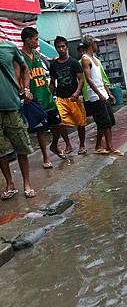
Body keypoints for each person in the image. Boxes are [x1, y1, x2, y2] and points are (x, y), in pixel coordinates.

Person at [20, 27, 67, 168]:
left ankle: (54, 146)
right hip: (35, 101)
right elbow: (18, 78)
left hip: (47, 97)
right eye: (35, 39)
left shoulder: (38, 55)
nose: (37, 42)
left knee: (59, 124)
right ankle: (46, 158)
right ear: (28, 40)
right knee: (40, 131)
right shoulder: (20, 57)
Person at [0, 39, 35, 199]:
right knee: (1, 151)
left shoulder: (9, 47)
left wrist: (26, 88)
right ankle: (9, 184)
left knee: (21, 146)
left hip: (12, 105)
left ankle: (27, 183)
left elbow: (25, 67)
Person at [81, 35, 123, 156]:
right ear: (91, 44)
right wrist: (99, 94)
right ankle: (110, 147)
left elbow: (101, 80)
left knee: (106, 121)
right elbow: (88, 79)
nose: (97, 45)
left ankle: (99, 146)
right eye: (95, 43)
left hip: (102, 94)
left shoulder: (96, 60)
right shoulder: (86, 59)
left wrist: (109, 93)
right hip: (95, 96)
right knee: (105, 122)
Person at [49, 36, 87, 155]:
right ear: (55, 48)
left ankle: (81, 145)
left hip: (74, 97)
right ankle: (68, 144)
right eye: (58, 47)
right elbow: (52, 81)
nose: (61, 49)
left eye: (63, 46)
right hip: (61, 97)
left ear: (67, 47)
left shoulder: (74, 62)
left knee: (80, 123)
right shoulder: (54, 64)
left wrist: (76, 93)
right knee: (60, 122)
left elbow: (81, 79)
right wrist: (50, 93)